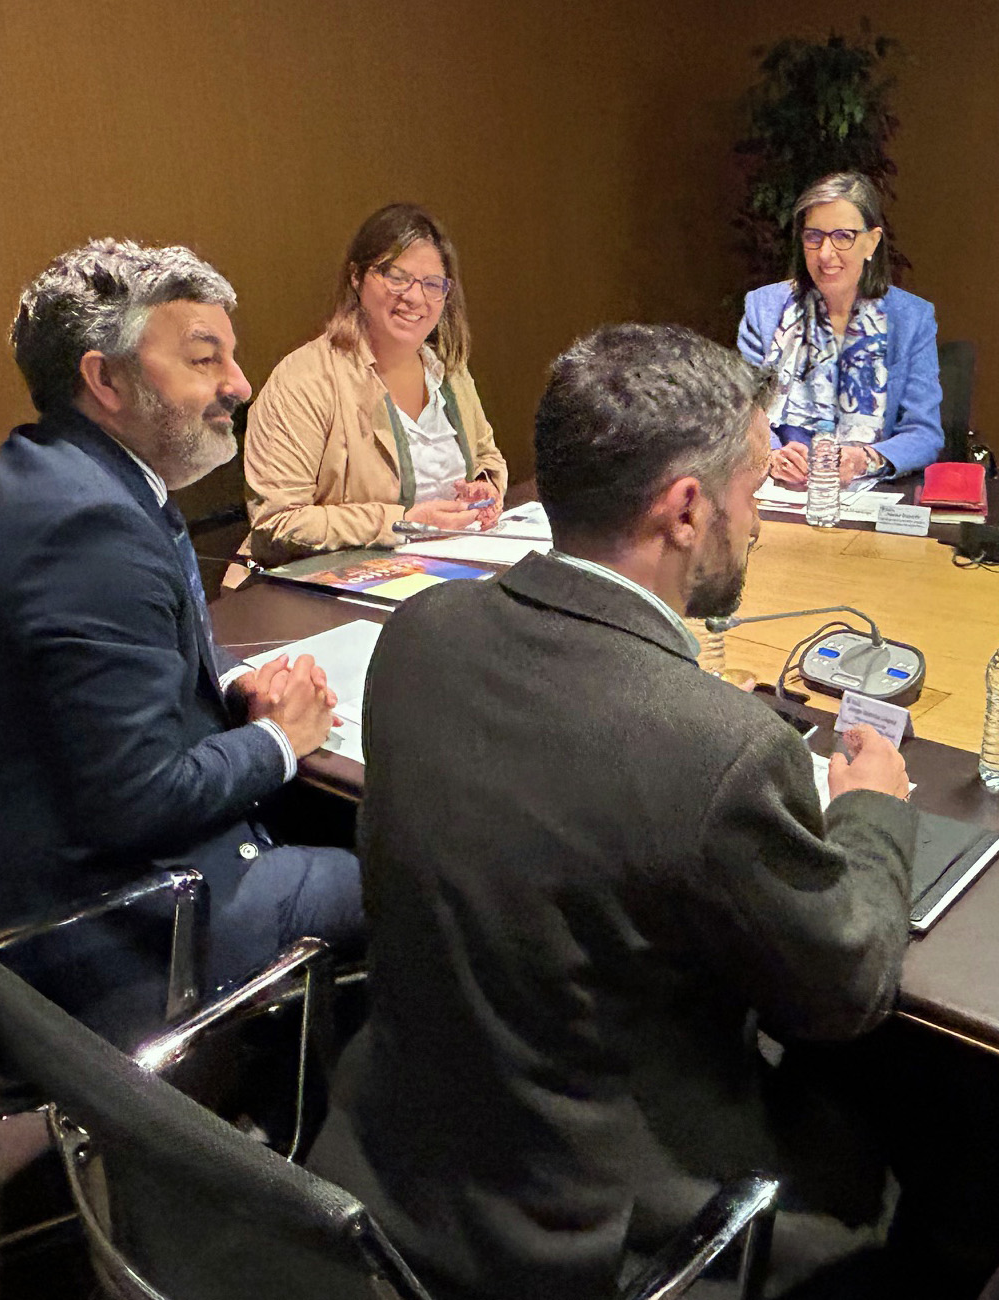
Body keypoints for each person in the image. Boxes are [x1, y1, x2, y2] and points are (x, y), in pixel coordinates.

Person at [307, 324, 919, 1300]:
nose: (757, 521)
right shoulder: (720, 749)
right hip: (590, 1239)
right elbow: (845, 988)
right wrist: (872, 811)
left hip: (392, 1166)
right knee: (925, 1165)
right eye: (751, 489)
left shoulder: (419, 632)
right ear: (686, 509)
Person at [0, 240, 364, 1043]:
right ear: (104, 380)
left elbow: (139, 668)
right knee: (399, 876)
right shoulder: (89, 530)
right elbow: (140, 802)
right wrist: (280, 740)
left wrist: (235, 693)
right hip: (98, 922)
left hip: (59, 852)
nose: (240, 384)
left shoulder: (67, 475)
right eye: (205, 358)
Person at [243, 203, 507, 566]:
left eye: (432, 285)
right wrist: (402, 523)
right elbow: (277, 522)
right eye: (397, 277)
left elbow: (487, 455)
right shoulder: (304, 380)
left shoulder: (449, 371)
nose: (415, 297)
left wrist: (484, 487)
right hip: (330, 583)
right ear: (356, 277)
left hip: (443, 569)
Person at [739, 172, 944, 485]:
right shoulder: (764, 308)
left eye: (843, 236)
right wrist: (772, 455)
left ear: (871, 242)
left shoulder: (912, 318)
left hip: (867, 490)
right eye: (813, 236)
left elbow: (924, 433)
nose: (825, 253)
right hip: (779, 488)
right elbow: (743, 413)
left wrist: (864, 459)